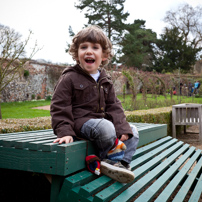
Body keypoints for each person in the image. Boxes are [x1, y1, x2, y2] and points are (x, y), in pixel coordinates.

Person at [50, 25, 139, 183]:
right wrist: (64, 132)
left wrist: (123, 129)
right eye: (83, 47)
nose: (89, 51)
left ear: (104, 55)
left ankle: (122, 164)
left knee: (133, 131)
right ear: (77, 54)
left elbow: (114, 106)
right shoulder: (70, 77)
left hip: (103, 124)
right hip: (81, 123)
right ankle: (108, 160)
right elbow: (60, 106)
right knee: (106, 127)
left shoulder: (105, 80)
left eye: (95, 47)